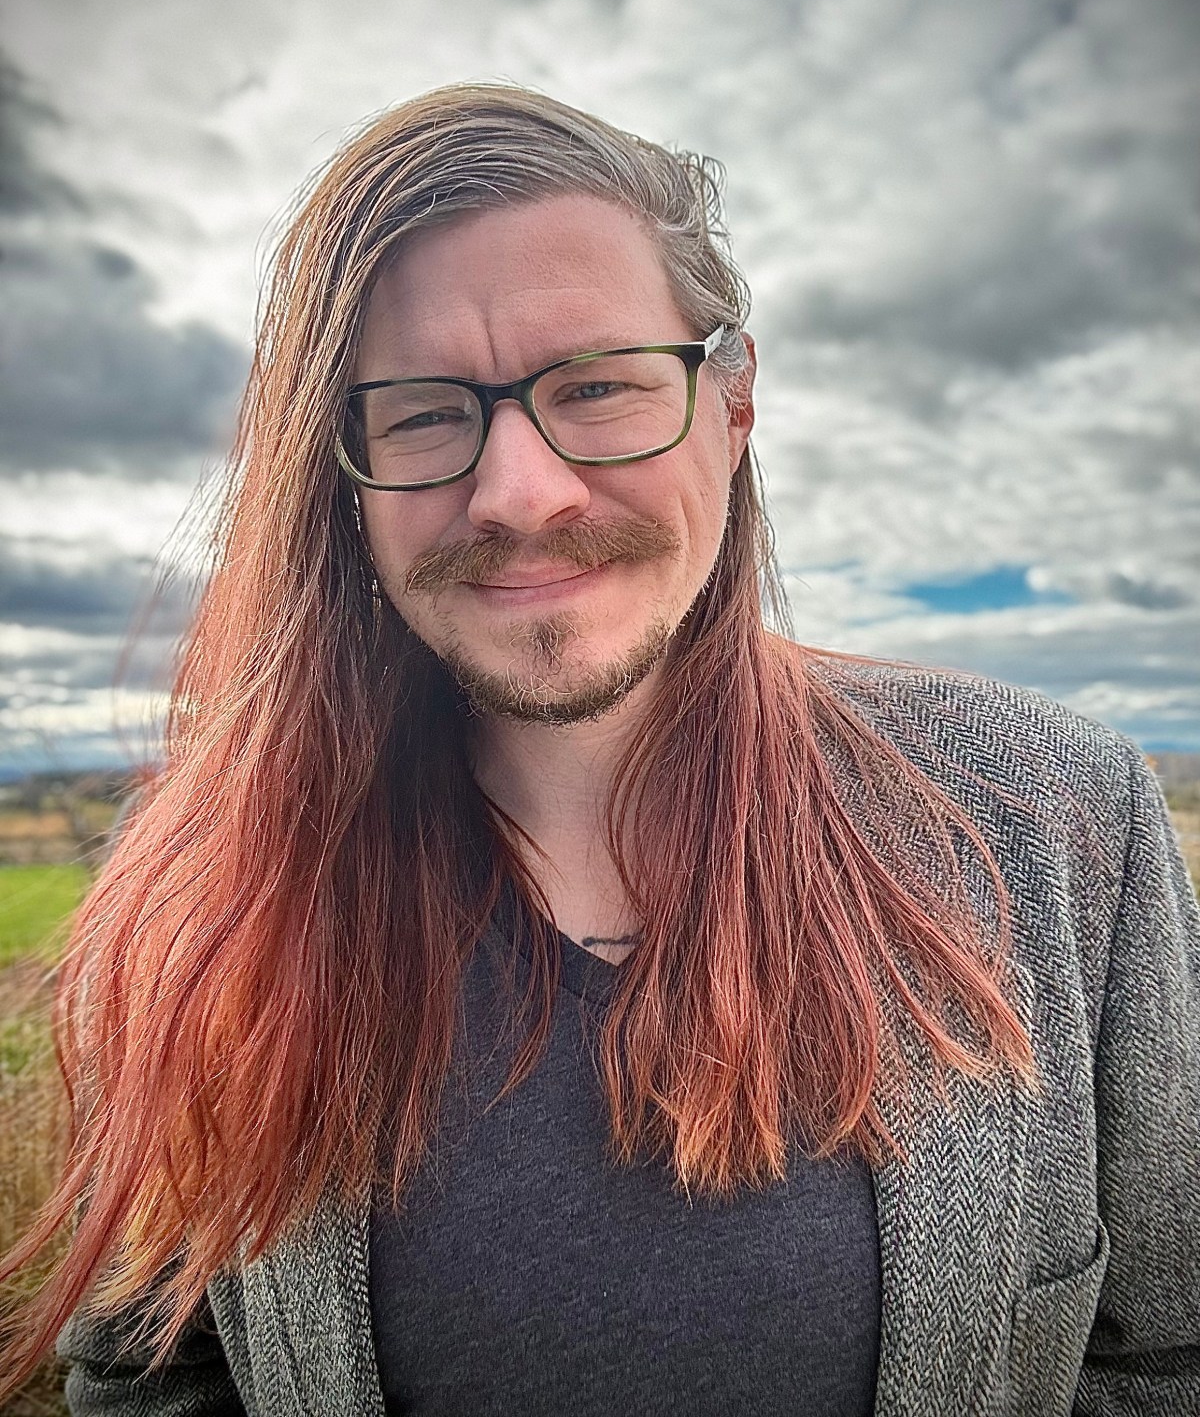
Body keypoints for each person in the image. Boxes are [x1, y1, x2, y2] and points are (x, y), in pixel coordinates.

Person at [1, 84, 1197, 1417]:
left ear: (732, 408)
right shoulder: (200, 890)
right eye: (424, 414)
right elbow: (151, 1380)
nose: (521, 493)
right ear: (342, 471)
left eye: (600, 387)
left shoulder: (1057, 819)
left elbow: (1158, 1360)